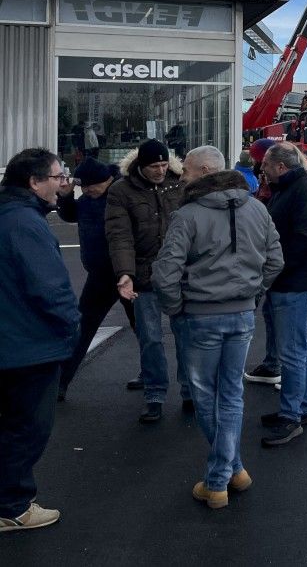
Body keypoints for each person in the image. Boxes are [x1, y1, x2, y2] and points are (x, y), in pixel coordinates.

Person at [152, 146, 284, 509]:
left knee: (207, 397)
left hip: (200, 316)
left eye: (188, 172)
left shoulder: (188, 215)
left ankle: (218, 481)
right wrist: (253, 293)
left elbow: (166, 273)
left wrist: (177, 309)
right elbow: (275, 260)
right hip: (241, 315)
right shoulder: (257, 208)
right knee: (230, 395)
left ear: (206, 171)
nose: (183, 178)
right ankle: (234, 470)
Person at [0, 148, 80, 533]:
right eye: (57, 177)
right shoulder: (26, 225)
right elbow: (51, 290)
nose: (62, 184)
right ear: (34, 182)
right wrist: (72, 328)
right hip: (28, 347)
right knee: (26, 429)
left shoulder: (7, 215)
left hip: (12, 340)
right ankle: (12, 506)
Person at [106, 138, 189, 423]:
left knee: (186, 336)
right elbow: (120, 236)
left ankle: (190, 390)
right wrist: (124, 274)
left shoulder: (181, 184)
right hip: (144, 273)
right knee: (150, 338)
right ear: (141, 165)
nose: (161, 170)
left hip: (180, 273)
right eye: (154, 166)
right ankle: (155, 393)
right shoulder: (121, 191)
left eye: (165, 164)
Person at [260, 142, 307, 447]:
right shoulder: (289, 188)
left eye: (265, 166)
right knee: (295, 350)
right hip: (287, 280)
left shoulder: (306, 191)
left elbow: (303, 240)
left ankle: (291, 417)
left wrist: (274, 269)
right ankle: (300, 410)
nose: (261, 171)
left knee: (293, 352)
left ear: (280, 167)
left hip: (293, 282)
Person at [56, 158, 135, 400]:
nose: (88, 190)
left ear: (107, 180)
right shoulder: (87, 201)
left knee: (143, 327)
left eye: (92, 186)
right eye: (85, 187)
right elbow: (71, 215)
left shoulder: (123, 196)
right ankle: (60, 384)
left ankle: (153, 377)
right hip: (99, 275)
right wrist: (66, 197)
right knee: (82, 328)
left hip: (126, 273)